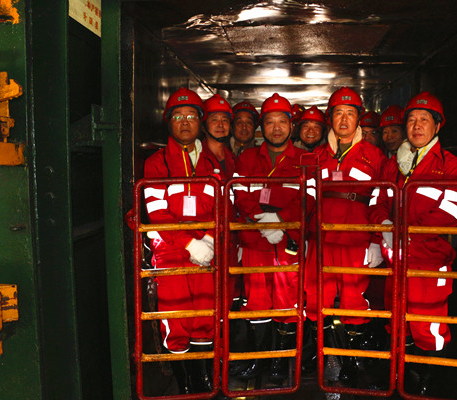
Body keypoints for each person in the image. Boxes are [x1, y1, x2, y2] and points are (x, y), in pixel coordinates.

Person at [371, 91, 457, 395]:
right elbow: (376, 201)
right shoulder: (394, 166)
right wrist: (383, 225)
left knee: (428, 326)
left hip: (428, 261)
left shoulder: (449, 166)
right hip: (395, 259)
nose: (416, 126)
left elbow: (449, 213)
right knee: (397, 321)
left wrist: (406, 233)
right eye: (411, 120)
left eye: (424, 119)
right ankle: (403, 380)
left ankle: (428, 384)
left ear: (437, 126)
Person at [304, 87, 388, 385]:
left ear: (358, 119)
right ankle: (323, 354)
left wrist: (377, 239)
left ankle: (353, 359)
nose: (344, 119)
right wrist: (302, 235)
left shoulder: (374, 156)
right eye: (338, 113)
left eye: (350, 113)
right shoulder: (316, 156)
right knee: (316, 297)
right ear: (330, 117)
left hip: (356, 236)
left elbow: (381, 198)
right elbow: (306, 198)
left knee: (354, 300)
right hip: (321, 237)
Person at [143, 87, 217, 394]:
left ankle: (202, 382)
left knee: (204, 317)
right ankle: (185, 386)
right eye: (177, 116)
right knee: (176, 320)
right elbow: (157, 213)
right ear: (168, 121)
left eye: (190, 116)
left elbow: (223, 206)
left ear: (200, 121)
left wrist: (209, 240)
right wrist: (190, 244)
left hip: (206, 252)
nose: (184, 122)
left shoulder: (213, 163)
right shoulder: (156, 163)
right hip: (171, 253)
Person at [232, 93, 307, 383]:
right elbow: (240, 193)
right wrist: (262, 220)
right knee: (256, 303)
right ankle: (257, 361)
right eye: (270, 122)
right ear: (262, 127)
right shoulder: (247, 158)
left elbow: (310, 199)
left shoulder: (305, 160)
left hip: (288, 243)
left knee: (287, 302)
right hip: (255, 241)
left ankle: (279, 363)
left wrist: (282, 221)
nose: (276, 128)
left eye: (282, 122)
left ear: (291, 126)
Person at [202, 93, 236, 180]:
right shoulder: (196, 158)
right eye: (214, 120)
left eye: (224, 120)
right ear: (203, 126)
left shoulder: (234, 159)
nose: (220, 125)